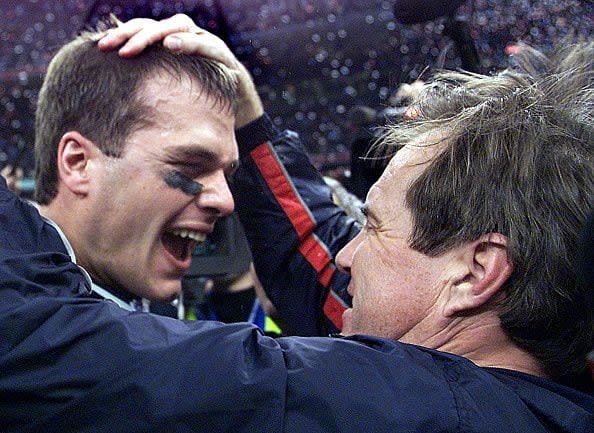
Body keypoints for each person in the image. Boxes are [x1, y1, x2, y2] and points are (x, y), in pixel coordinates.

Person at [0, 14, 591, 432]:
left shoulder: (404, 401)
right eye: (189, 165)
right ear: (77, 162)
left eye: (374, 226)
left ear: (477, 272)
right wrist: (252, 120)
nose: (346, 254)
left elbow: (50, 353)